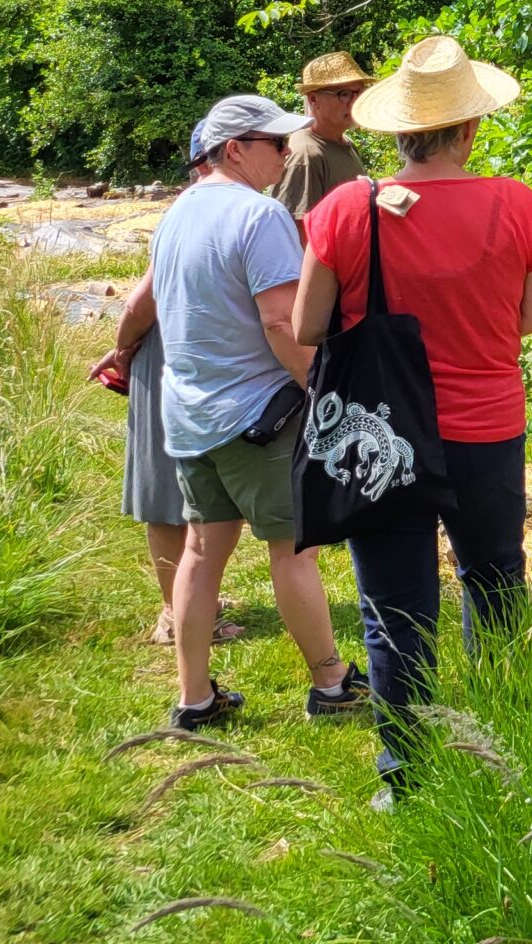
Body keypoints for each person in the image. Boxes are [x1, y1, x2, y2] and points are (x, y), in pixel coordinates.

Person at [293, 34, 532, 800]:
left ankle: (403, 775)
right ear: (471, 129)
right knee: (494, 582)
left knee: (394, 608)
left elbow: (311, 326)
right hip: (486, 428)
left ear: (396, 130)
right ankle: (505, 740)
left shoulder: (350, 208)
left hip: (384, 437)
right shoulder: (517, 204)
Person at [152, 93, 365, 730]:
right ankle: (332, 685)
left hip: (189, 413)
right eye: (274, 142)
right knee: (294, 550)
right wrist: (324, 393)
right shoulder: (258, 214)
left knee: (200, 551)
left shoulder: (177, 213)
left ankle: (194, 698)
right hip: (256, 414)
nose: (285, 150)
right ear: (234, 150)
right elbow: (281, 320)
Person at [90, 126, 239, 648]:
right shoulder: (194, 209)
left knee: (191, 491)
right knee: (164, 491)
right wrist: (125, 349)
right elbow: (141, 301)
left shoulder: (214, 205)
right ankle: (174, 614)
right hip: (165, 354)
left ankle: (192, 603)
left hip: (189, 356)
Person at [275, 51, 374, 221]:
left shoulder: (345, 142)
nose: (353, 102)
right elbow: (299, 232)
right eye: (344, 94)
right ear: (313, 99)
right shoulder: (305, 154)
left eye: (358, 93)